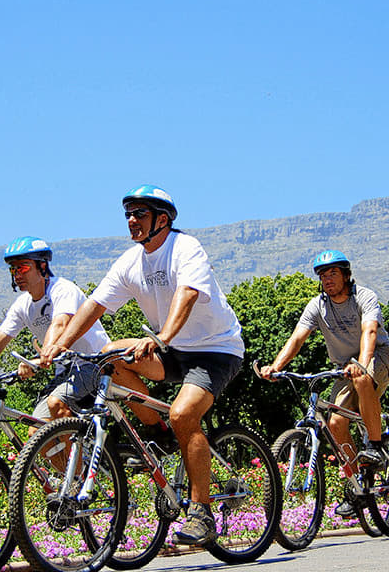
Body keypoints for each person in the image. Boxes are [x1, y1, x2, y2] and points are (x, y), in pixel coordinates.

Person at [40, 184, 245, 546]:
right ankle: (158, 434)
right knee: (107, 355)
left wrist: (162, 338)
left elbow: (188, 294)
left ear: (162, 220)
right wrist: (60, 344)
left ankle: (201, 513)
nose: (132, 221)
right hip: (172, 347)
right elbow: (94, 306)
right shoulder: (130, 261)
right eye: (128, 214)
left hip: (215, 349)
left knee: (184, 414)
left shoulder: (185, 248)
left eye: (140, 214)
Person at [256, 249, 389, 518]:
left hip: (378, 355)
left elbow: (370, 331)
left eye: (333, 273)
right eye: (323, 275)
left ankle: (375, 447)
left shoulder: (363, 296)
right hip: (344, 367)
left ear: (346, 275)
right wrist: (276, 366)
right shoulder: (317, 305)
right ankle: (357, 487)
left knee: (362, 378)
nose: (327, 279)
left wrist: (363, 365)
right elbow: (297, 338)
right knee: (334, 424)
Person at [0, 236, 110, 429]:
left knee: (56, 403)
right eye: (13, 269)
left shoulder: (62, 288)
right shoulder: (22, 305)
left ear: (42, 266)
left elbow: (60, 323)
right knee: (35, 432)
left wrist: (42, 356)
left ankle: (78, 459)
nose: (17, 274)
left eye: (23, 267)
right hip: (65, 371)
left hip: (93, 363)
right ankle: (73, 456)